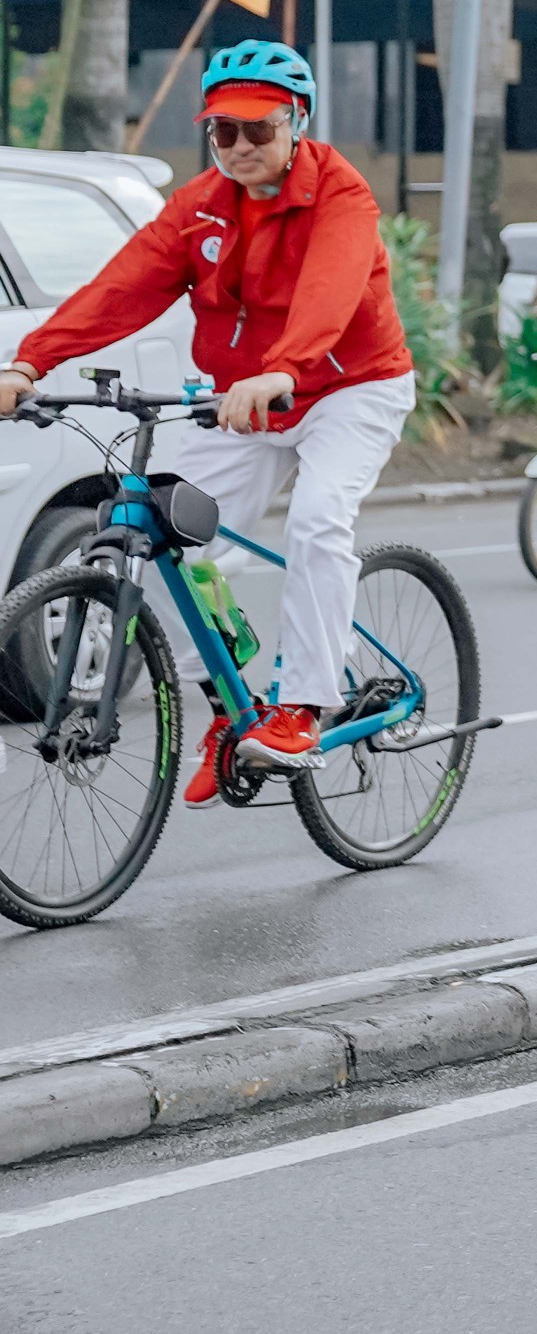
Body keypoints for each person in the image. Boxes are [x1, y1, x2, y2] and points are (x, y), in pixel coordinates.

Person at [0, 40, 416, 796]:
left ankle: (301, 708)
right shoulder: (199, 208)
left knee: (319, 521)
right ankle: (230, 707)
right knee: (153, 530)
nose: (239, 146)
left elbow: (330, 288)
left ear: (299, 122)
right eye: (223, 130)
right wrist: (30, 361)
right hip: (250, 398)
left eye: (260, 129)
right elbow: (121, 288)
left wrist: (284, 368)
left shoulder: (341, 194)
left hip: (351, 387)